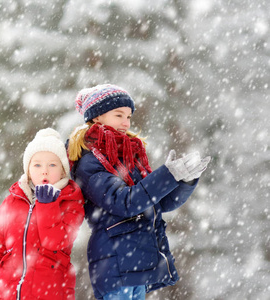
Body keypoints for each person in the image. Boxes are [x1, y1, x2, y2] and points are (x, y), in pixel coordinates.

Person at [67, 84, 210, 300]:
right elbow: (125, 202)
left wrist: (184, 180)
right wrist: (166, 175)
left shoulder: (129, 156)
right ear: (97, 117)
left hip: (136, 260)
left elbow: (158, 203)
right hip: (115, 261)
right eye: (119, 115)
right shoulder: (90, 162)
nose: (126, 122)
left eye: (129, 116)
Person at [0, 128, 85, 300]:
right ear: (28, 169)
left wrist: (47, 205)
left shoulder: (70, 201)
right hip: (9, 293)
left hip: (51, 292)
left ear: (63, 171)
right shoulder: (12, 201)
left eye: (52, 165)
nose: (44, 171)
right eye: (37, 164)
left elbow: (56, 242)